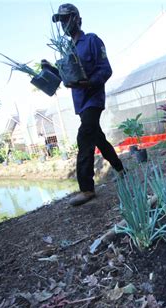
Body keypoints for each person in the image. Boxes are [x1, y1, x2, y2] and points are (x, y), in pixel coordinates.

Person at [45, 3, 124, 206]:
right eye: (61, 20)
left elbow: (106, 69)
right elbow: (67, 77)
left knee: (84, 137)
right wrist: (51, 71)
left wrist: (91, 82)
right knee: (97, 137)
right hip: (80, 103)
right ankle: (120, 168)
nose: (64, 23)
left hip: (93, 98)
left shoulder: (92, 41)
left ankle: (87, 189)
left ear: (78, 19)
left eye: (67, 18)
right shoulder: (67, 49)